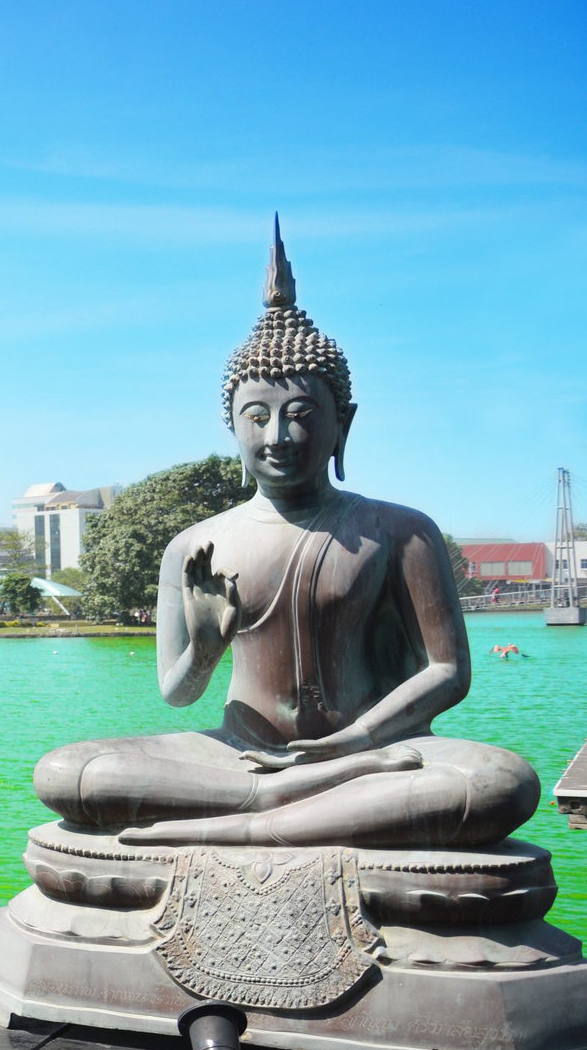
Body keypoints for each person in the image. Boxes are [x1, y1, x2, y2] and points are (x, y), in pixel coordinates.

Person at [34, 222, 537, 848]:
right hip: (240, 756)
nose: (276, 436)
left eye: (300, 416)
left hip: (377, 751)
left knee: (501, 781)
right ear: (232, 427)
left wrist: (349, 744)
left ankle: (255, 823)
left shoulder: (398, 532)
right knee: (67, 772)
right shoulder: (193, 548)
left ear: (341, 423)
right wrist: (208, 645)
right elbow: (178, 693)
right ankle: (269, 802)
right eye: (257, 417)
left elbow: (447, 671)